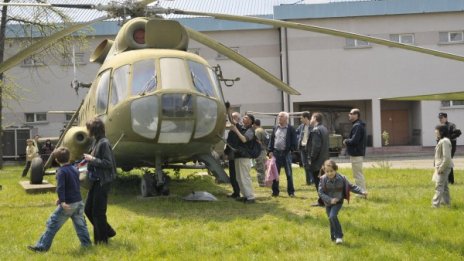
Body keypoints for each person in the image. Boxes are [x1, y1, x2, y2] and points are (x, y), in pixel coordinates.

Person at [27, 147, 91, 252]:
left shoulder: (61, 171)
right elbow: (74, 185)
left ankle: (41, 247)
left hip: (68, 204)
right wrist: (61, 199)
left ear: (56, 160)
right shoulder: (75, 169)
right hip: (78, 202)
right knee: (81, 226)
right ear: (69, 157)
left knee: (52, 224)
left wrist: (62, 201)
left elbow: (61, 187)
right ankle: (87, 245)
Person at [83, 117, 117, 244]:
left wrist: (92, 159)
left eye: (89, 128)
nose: (87, 131)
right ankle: (107, 231)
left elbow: (108, 163)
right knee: (88, 210)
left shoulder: (104, 143)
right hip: (95, 180)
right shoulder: (96, 141)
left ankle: (102, 241)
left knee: (98, 212)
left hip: (103, 181)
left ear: (94, 129)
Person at [318, 160, 367, 244]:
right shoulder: (323, 179)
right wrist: (330, 200)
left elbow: (351, 186)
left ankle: (339, 236)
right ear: (324, 171)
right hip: (328, 203)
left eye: (331, 171)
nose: (329, 173)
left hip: (338, 202)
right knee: (331, 219)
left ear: (335, 169)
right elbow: (320, 192)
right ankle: (333, 237)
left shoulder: (342, 179)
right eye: (327, 172)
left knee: (332, 216)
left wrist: (361, 191)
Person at [268, 111, 298, 197]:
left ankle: (291, 192)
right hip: (276, 153)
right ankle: (275, 192)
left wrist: (290, 150)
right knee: (275, 173)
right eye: (279, 116)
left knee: (289, 174)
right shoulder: (275, 128)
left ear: (286, 118)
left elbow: (294, 142)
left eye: (281, 116)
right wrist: (270, 151)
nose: (279, 118)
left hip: (286, 153)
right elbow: (272, 140)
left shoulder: (291, 129)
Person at [229, 113, 257, 203]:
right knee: (239, 177)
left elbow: (244, 139)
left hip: (244, 156)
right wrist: (228, 110)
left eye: (245, 117)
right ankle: (245, 195)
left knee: (244, 177)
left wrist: (236, 130)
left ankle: (250, 197)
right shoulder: (242, 128)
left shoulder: (250, 130)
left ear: (250, 121)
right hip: (238, 155)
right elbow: (232, 121)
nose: (243, 118)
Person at [307, 112, 329, 206]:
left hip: (317, 161)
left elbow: (315, 147)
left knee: (319, 183)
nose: (310, 120)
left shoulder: (316, 130)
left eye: (311, 118)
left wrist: (311, 158)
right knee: (324, 182)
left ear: (315, 118)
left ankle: (322, 201)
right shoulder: (324, 128)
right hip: (324, 160)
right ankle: (325, 200)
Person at [343, 108, 367, 192]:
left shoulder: (357, 126)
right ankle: (361, 192)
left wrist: (346, 141)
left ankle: (362, 192)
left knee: (358, 175)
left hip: (356, 154)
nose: (349, 115)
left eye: (351, 113)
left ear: (356, 115)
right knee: (357, 174)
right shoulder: (357, 125)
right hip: (357, 153)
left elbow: (354, 141)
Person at [432, 124, 453, 208]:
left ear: (441, 131)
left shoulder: (444, 141)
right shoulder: (443, 140)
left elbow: (447, 157)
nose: (435, 132)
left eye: (436, 130)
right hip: (443, 166)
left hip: (443, 167)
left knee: (439, 186)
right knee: (444, 187)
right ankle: (447, 204)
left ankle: (435, 205)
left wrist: (441, 168)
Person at [438, 112, 461, 184]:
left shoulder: (451, 125)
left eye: (441, 118)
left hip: (450, 147)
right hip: (443, 147)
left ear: (446, 118)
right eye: (439, 118)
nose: (440, 119)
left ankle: (451, 181)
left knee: (448, 162)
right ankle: (446, 180)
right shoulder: (440, 127)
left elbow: (458, 133)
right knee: (444, 163)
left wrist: (449, 138)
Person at [224, 112, 242, 198]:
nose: (231, 120)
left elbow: (232, 142)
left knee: (235, 175)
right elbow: (229, 142)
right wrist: (226, 152)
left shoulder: (238, 128)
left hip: (236, 155)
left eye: (233, 118)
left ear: (237, 119)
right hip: (232, 154)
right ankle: (236, 192)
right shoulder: (232, 129)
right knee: (232, 175)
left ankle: (237, 192)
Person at [296, 111, 313, 185]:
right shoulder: (301, 126)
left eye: (302, 118)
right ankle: (308, 181)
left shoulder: (313, 127)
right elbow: (295, 132)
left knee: (311, 164)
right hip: (302, 148)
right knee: (305, 164)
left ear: (306, 118)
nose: (301, 120)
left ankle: (313, 180)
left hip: (310, 148)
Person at [253, 119, 268, 187]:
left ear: (254, 124)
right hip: (264, 150)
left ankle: (262, 182)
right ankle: (265, 180)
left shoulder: (257, 131)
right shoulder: (263, 130)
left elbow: (256, 141)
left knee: (260, 167)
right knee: (262, 166)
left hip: (259, 151)